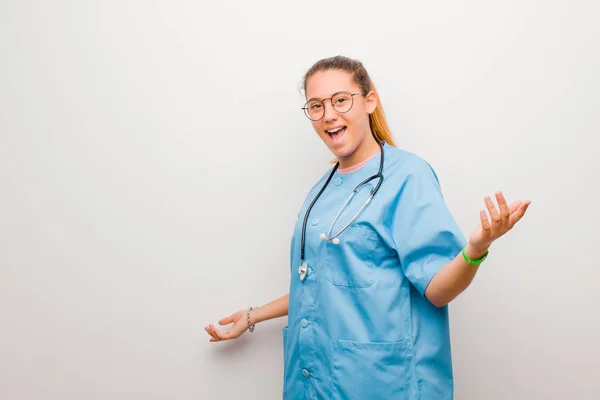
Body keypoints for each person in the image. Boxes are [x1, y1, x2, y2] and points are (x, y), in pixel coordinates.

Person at [204, 55, 530, 399]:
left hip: (382, 382)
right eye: (316, 106)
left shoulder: (408, 177)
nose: (329, 114)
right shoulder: (322, 188)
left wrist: (476, 250)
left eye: (341, 100)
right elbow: (323, 284)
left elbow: (438, 290)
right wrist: (253, 315)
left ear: (369, 101)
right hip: (316, 377)